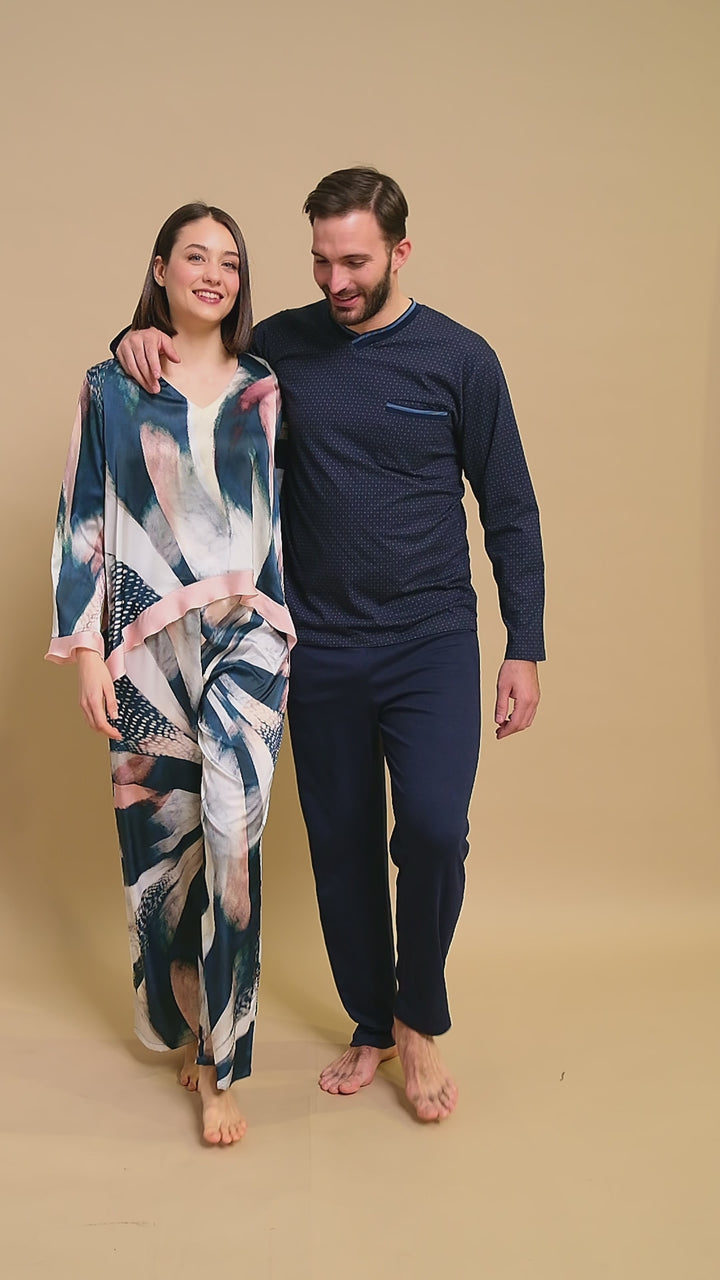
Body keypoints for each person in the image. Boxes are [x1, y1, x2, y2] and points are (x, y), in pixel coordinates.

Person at [115, 168, 545, 1124]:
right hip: (318, 646)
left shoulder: (460, 360)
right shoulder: (278, 350)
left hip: (432, 638)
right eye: (320, 260)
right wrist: (131, 337)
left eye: (354, 262)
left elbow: (510, 508)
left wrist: (526, 643)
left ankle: (420, 1017)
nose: (335, 280)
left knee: (431, 829)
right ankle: (373, 1024)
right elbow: (192, 372)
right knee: (341, 846)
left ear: (401, 252)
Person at [47, 202, 294, 1146]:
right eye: (196, 256)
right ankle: (189, 1020)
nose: (215, 274)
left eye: (230, 261)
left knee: (233, 837)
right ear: (161, 269)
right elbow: (81, 518)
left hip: (250, 635)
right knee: (164, 853)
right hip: (145, 648)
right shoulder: (112, 385)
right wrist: (85, 654)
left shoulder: (265, 385)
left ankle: (223, 1068)